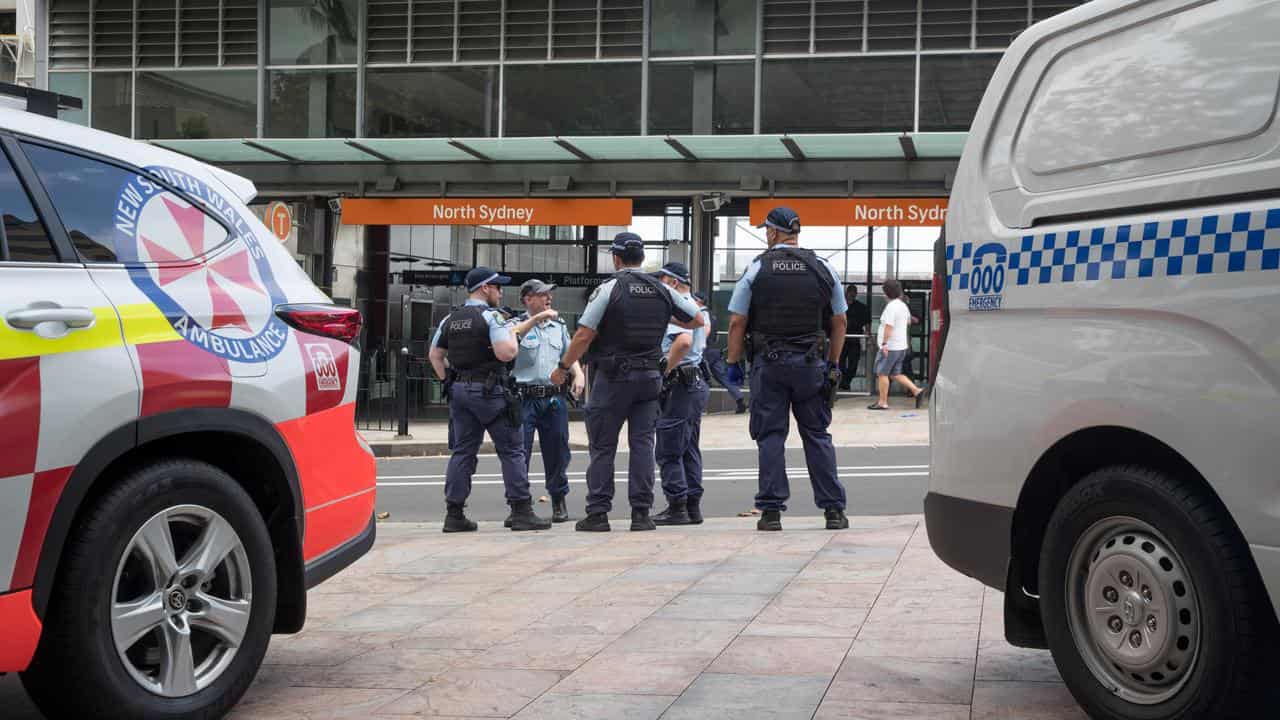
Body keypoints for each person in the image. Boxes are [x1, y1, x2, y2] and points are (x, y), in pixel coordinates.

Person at [550, 233, 704, 532]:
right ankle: (641, 514)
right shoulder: (662, 289)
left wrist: (563, 367)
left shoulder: (610, 288)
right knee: (643, 445)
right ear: (642, 258)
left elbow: (584, 334)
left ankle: (598, 513)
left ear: (616, 258)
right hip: (650, 378)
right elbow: (696, 319)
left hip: (612, 379)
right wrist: (662, 318)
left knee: (603, 447)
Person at [726, 207, 850, 532]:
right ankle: (833, 511)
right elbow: (840, 321)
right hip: (811, 366)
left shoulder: (756, 269)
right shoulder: (823, 268)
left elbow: (737, 321)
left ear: (772, 232)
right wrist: (834, 364)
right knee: (817, 435)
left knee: (770, 436)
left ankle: (771, 513)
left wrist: (733, 362)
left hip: (769, 365)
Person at [428, 267, 553, 533]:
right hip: (491, 392)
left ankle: (454, 514)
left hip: (460, 393)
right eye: (497, 287)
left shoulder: (450, 319)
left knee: (463, 452)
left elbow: (435, 355)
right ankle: (521, 511)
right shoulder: (493, 317)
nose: (500, 291)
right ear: (485, 288)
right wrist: (513, 337)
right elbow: (506, 353)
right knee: (511, 450)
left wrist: (448, 381)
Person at [508, 278, 585, 525]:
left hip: (552, 397)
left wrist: (578, 372)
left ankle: (558, 501)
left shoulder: (558, 326)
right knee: (520, 453)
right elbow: (508, 343)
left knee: (558, 452)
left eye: (549, 294)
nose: (548, 298)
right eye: (542, 295)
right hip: (523, 398)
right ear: (527, 299)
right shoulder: (515, 325)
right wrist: (535, 321)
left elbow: (568, 352)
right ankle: (519, 505)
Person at [652, 262, 710, 525]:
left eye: (662, 280)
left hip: (679, 384)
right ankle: (692, 506)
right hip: (694, 382)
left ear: (673, 283)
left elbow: (683, 342)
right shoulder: (698, 309)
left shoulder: (680, 306)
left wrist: (665, 370)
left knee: (669, 449)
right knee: (688, 447)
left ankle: (677, 507)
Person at [868, 278, 924, 411]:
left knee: (882, 373)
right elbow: (909, 321)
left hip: (890, 347)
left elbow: (888, 326)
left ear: (886, 293)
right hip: (901, 346)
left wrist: (884, 343)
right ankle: (916, 390)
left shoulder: (891, 307)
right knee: (895, 374)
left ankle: (882, 402)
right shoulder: (902, 305)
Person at [695, 291, 748, 414]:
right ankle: (739, 399)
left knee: (701, 378)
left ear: (699, 301)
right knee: (723, 377)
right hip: (713, 351)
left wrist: (699, 345)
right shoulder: (711, 314)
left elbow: (706, 330)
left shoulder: (702, 314)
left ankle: (701, 408)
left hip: (704, 350)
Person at [838, 284, 870, 391]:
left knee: (853, 364)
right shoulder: (839, 306)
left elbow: (867, 322)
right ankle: (843, 382)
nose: (851, 294)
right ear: (846, 293)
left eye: (853, 292)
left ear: (856, 294)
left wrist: (868, 333)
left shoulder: (861, 307)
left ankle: (846, 382)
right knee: (840, 362)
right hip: (841, 339)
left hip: (854, 339)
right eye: (849, 292)